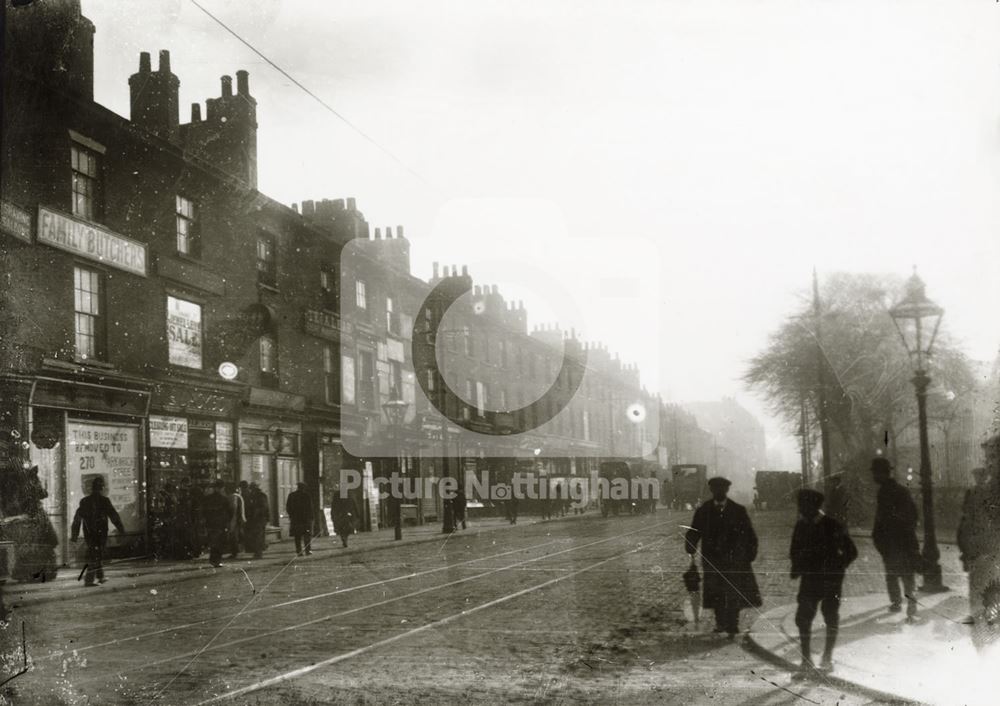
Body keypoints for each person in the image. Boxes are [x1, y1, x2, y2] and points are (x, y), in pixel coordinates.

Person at [790, 488, 857, 675]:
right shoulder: (801, 525)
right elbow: (794, 549)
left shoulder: (832, 525)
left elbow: (851, 551)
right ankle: (806, 660)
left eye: (803, 505)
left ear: (814, 506)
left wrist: (838, 570)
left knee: (830, 617)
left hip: (830, 582)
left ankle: (827, 657)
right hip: (809, 581)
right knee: (802, 619)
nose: (800, 509)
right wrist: (796, 567)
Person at [684, 477, 762, 637]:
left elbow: (749, 534)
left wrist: (749, 555)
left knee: (733, 591)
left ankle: (732, 624)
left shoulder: (738, 510)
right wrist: (690, 545)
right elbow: (694, 531)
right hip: (712, 559)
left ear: (726, 491)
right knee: (716, 592)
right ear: (712, 491)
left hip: (734, 560)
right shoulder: (703, 510)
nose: (719, 492)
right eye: (715, 489)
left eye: (722, 489)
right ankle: (720, 622)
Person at [957, 436, 1000, 651]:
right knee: (982, 621)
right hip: (984, 567)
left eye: (995, 456)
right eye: (988, 457)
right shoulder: (978, 493)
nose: (990, 462)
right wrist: (970, 555)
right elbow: (966, 527)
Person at [870, 457, 920, 620]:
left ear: (881, 473)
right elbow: (913, 514)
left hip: (893, 542)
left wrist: (879, 537)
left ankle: (897, 602)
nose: (873, 476)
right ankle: (910, 605)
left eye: (875, 473)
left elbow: (883, 519)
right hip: (905, 541)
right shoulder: (901, 490)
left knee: (892, 574)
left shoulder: (884, 492)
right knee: (907, 575)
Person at [70, 477, 125, 586]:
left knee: (95, 553)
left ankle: (100, 576)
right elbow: (114, 516)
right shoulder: (104, 501)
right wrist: (121, 529)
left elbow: (77, 519)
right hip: (101, 533)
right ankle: (89, 580)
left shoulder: (84, 501)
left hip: (89, 533)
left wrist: (74, 535)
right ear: (102, 488)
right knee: (95, 555)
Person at [201, 480, 232, 568]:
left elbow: (203, 511)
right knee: (219, 542)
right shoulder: (224, 499)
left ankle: (213, 559)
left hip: (210, 523)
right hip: (220, 524)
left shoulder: (207, 498)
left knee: (213, 542)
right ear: (222, 488)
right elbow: (230, 512)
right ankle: (216, 560)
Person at [286, 481, 314, 556]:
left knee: (297, 536)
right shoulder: (307, 496)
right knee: (307, 535)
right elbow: (310, 508)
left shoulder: (292, 495)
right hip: (305, 519)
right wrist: (311, 517)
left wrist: (291, 515)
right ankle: (308, 550)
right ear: (304, 488)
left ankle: (299, 551)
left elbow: (288, 507)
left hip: (296, 519)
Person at [243, 482, 269, 559]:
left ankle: (258, 553)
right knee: (256, 536)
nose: (251, 490)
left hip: (259, 519)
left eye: (252, 488)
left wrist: (256, 512)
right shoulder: (252, 495)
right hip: (254, 519)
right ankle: (257, 552)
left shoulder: (260, 496)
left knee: (258, 536)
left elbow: (263, 507)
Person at [227, 483, 246, 559]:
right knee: (238, 535)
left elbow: (233, 509)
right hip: (239, 519)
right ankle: (238, 550)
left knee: (233, 536)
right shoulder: (239, 496)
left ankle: (234, 552)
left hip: (234, 519)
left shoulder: (232, 497)